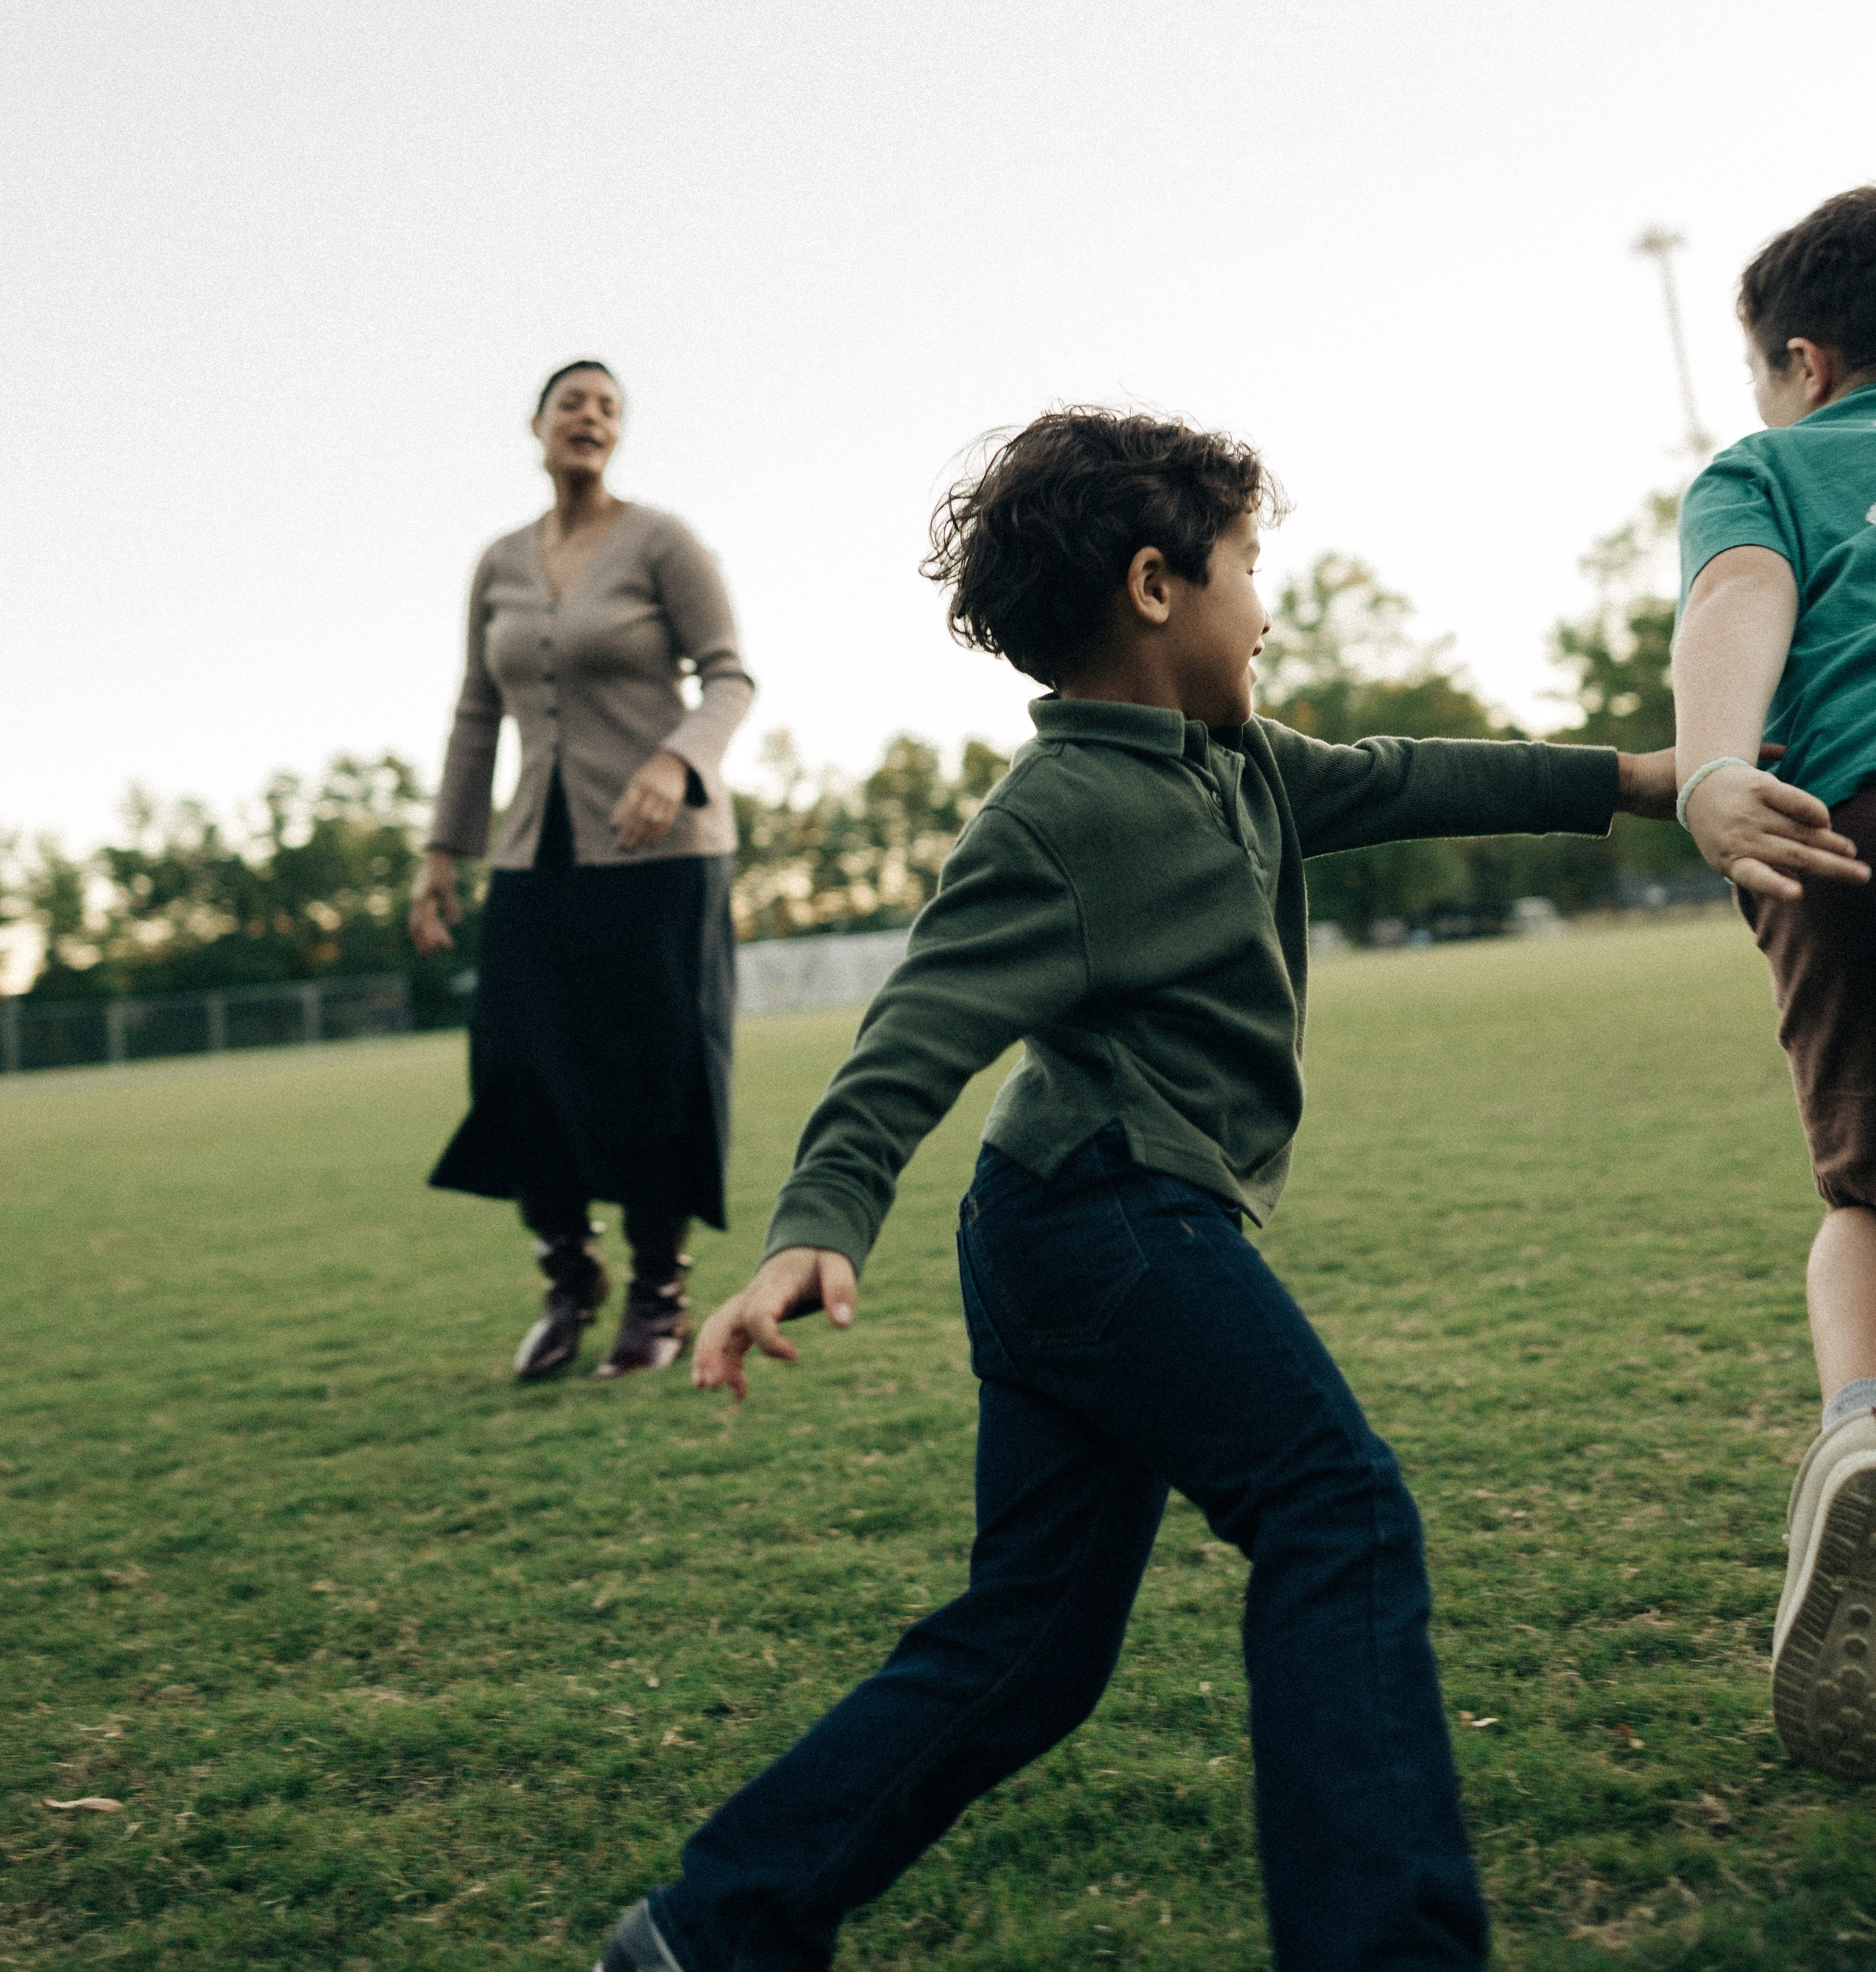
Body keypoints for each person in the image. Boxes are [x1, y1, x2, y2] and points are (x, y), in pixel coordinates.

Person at [591, 405, 1732, 1972]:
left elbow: (1409, 779)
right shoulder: (1053, 818)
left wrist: (1648, 777)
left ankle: (706, 1931)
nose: (1266, 605)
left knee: (1032, 1652)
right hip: (1105, 1217)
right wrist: (813, 1229)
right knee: (1336, 1511)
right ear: (1153, 586)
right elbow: (909, 1038)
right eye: (1248, 568)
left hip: (1072, 1234)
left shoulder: (1242, 766)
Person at [410, 358, 754, 1384]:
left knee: (658, 1070)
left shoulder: (662, 541)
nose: (589, 416)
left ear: (619, 434)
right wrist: (441, 855)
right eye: (573, 402)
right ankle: (571, 1278)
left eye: (608, 406)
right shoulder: (500, 561)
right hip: (535, 854)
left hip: (661, 855)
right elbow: (478, 710)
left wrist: (676, 760)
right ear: (537, 424)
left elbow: (730, 674)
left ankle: (659, 1294)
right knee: (516, 1069)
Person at [1669, 188, 1876, 1776]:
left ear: (1799, 363)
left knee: (1867, 1199)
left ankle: (1864, 1429)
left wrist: (1714, 774)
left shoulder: (1768, 471)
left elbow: (1739, 597)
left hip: (1842, 832)